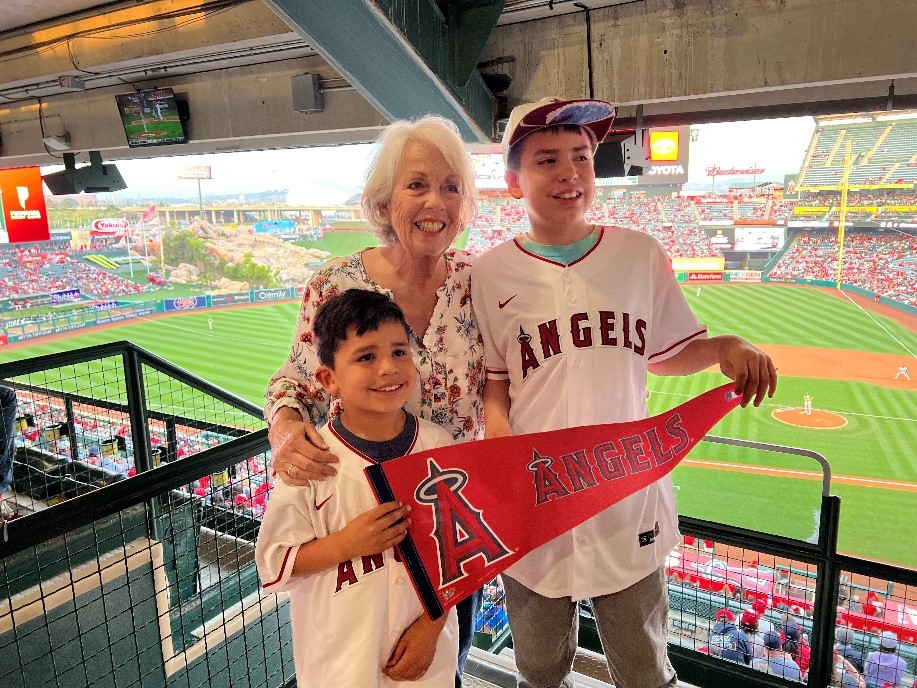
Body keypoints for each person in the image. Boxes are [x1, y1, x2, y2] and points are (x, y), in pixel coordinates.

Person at [471, 97, 777, 688]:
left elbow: (662, 353)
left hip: (624, 494)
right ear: (513, 182)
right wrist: (503, 449)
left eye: (582, 157)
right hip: (537, 498)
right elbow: (496, 380)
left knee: (643, 669)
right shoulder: (488, 274)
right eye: (547, 160)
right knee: (538, 666)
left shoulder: (640, 254)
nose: (569, 172)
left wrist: (723, 347)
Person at [264, 115, 483, 686]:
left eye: (451, 186)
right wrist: (287, 431)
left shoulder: (481, 282)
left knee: (437, 670)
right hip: (359, 520)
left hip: (451, 526)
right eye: (417, 184)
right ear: (384, 202)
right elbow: (294, 381)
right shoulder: (335, 282)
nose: (436, 200)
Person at [255, 289, 459, 687]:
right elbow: (273, 564)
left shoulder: (438, 446)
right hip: (340, 665)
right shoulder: (312, 458)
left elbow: (460, 556)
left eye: (399, 352)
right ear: (328, 379)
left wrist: (434, 626)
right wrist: (347, 544)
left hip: (425, 657)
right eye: (366, 357)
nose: (388, 368)